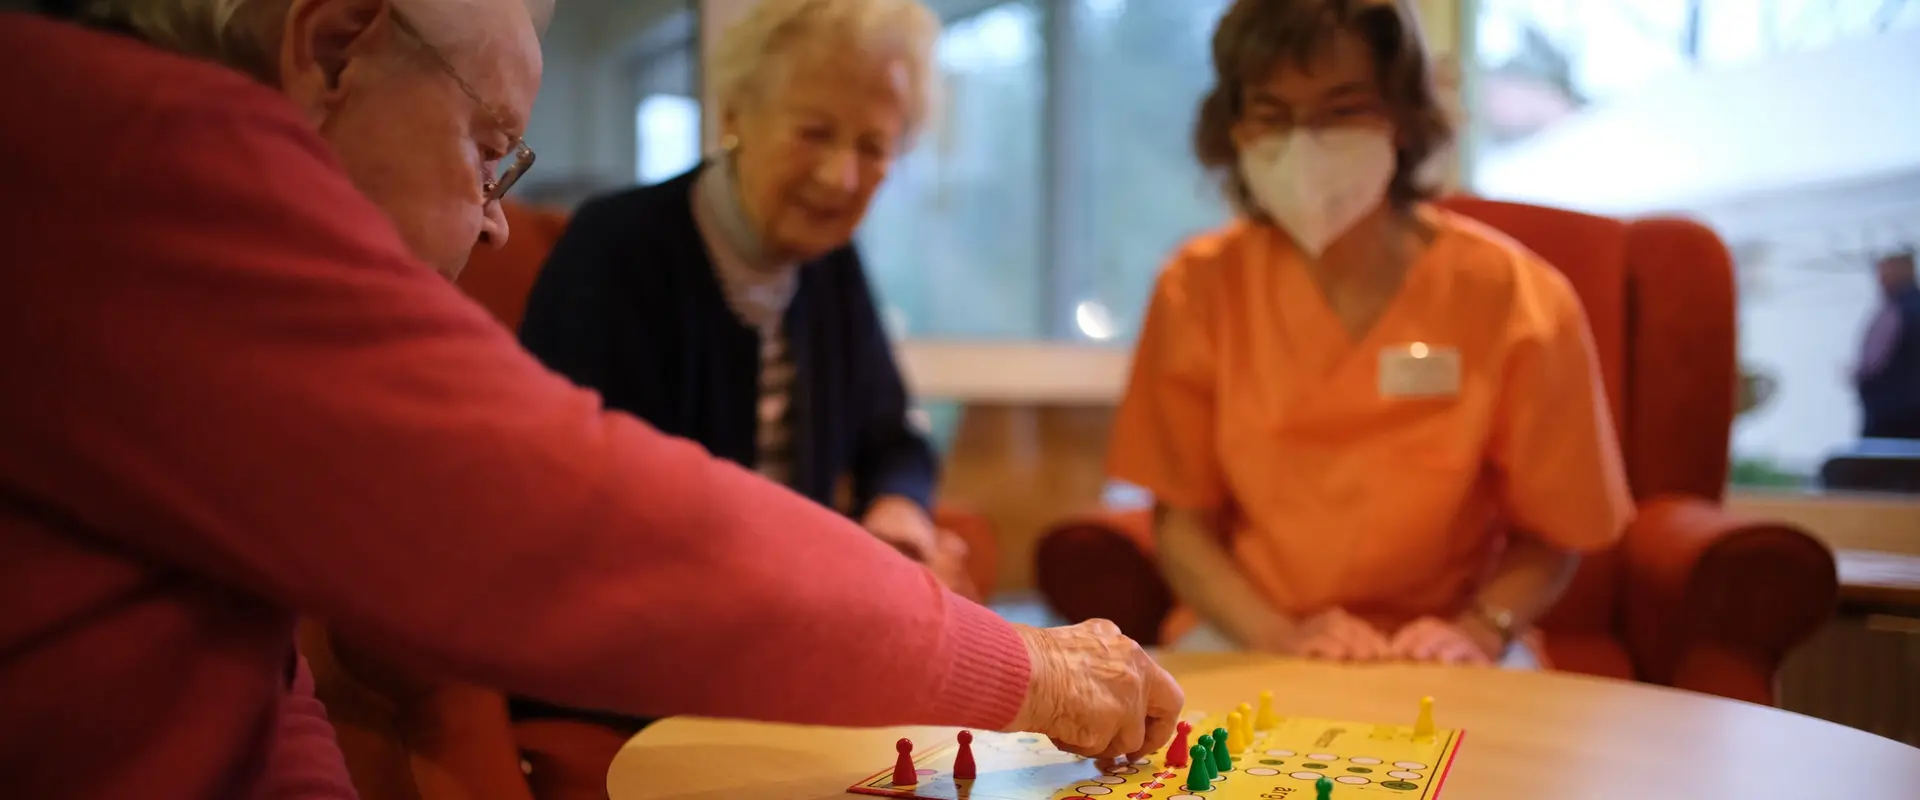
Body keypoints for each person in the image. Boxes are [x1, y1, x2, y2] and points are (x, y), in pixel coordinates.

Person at [0, 3, 1181, 799]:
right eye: (487, 144)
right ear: (334, 46)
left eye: (875, 148)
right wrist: (1025, 666)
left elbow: (261, 681)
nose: (498, 215)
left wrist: (902, 517)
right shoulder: (143, 158)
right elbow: (581, 522)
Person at [1106, 0, 1633, 666]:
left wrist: (1478, 628)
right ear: (1235, 127)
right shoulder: (1198, 287)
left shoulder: (1514, 296)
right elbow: (1179, 523)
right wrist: (1279, 635)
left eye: (1341, 109)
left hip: (1449, 642)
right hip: (1254, 633)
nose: (1305, 143)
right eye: (1273, 114)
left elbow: (1557, 533)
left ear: (1404, 116)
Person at [511, 0, 977, 735]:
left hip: (785, 652)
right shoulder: (617, 249)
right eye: (814, 132)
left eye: (875, 147)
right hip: (636, 673)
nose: (840, 175)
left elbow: (896, 438)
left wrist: (899, 512)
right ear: (736, 113)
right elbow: (610, 516)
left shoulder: (831, 269)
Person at [1853, 248, 1920, 439]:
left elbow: (1871, 365)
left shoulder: (1897, 311)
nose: (1880, 277)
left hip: (1892, 417)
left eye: (1885, 269)